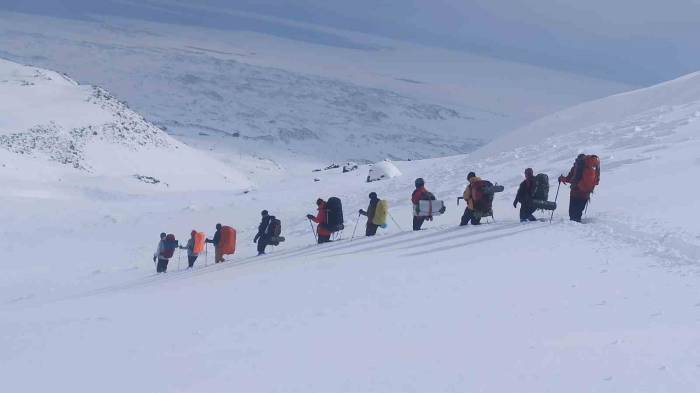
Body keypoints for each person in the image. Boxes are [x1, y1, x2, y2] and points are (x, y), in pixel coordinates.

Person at [559, 154, 600, 222]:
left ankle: (573, 229)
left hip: (575, 192)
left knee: (572, 214)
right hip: (586, 194)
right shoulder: (592, 167)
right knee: (578, 213)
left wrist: (562, 179)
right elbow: (596, 182)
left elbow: (570, 178)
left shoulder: (577, 166)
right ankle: (578, 228)